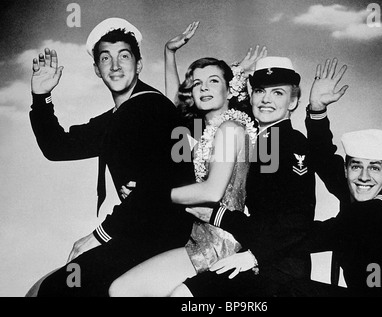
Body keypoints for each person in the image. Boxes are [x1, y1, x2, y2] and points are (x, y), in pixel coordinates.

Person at [27, 18, 196, 297]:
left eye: (124, 56)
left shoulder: (151, 108)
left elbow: (155, 187)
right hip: (139, 230)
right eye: (106, 58)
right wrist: (41, 96)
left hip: (164, 233)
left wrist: (99, 235)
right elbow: (58, 147)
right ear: (97, 69)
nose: (115, 66)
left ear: (139, 65)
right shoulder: (120, 115)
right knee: (55, 285)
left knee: (60, 288)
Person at [167, 56, 351, 297]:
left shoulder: (289, 142)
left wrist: (253, 256)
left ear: (293, 101)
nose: (266, 99)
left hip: (278, 269)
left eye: (278, 93)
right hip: (253, 255)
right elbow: (182, 120)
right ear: (250, 96)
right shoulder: (255, 136)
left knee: (183, 296)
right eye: (260, 91)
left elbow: (296, 220)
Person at [108, 24, 266, 297]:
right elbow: (171, 106)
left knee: (123, 291)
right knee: (122, 290)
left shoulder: (230, 129)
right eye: (197, 84)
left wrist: (147, 195)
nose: (203, 88)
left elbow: (211, 191)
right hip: (198, 238)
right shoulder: (206, 130)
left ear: (230, 90)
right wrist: (169, 53)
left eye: (213, 81)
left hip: (220, 243)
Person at [287, 129, 382, 297]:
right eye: (356, 166)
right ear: (346, 170)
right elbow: (325, 161)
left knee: (290, 289)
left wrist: (257, 234)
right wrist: (317, 110)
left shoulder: (371, 213)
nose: (364, 177)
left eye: (374, 168)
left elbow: (304, 237)